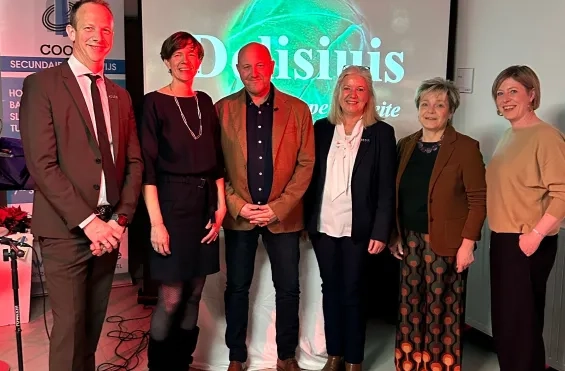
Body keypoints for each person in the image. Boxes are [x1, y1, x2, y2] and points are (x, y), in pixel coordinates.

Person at [18, 1, 143, 370]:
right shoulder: (42, 85)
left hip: (109, 230)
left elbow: (134, 164)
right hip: (67, 230)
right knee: (69, 331)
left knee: (91, 329)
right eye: (89, 28)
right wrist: (90, 222)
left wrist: (119, 221)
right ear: (70, 33)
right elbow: (42, 164)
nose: (98, 36)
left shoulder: (120, 95)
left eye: (106, 29)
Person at [215, 42, 315, 371]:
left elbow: (305, 165)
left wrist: (279, 207)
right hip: (239, 216)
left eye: (259, 66)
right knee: (237, 288)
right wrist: (237, 205)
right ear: (237, 70)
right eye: (246, 67)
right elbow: (215, 167)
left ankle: (286, 356)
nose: (253, 73)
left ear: (271, 66)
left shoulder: (298, 110)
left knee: (288, 288)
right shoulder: (222, 109)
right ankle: (236, 356)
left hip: (283, 218)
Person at [138, 31, 226, 371]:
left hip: (205, 205)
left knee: (194, 293)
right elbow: (147, 167)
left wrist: (220, 206)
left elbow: (216, 160)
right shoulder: (154, 102)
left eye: (191, 54)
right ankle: (160, 367)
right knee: (172, 297)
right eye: (177, 54)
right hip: (171, 206)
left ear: (200, 61)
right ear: (166, 61)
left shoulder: (205, 101)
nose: (185, 60)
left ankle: (182, 363)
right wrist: (157, 224)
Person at [303, 65, 396, 371]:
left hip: (360, 229)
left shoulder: (381, 133)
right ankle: (335, 354)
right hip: (324, 226)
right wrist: (306, 222)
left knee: (354, 291)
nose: (352, 95)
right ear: (338, 93)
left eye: (360, 89)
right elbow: (310, 178)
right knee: (330, 290)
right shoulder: (321, 128)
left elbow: (386, 188)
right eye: (347, 88)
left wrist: (382, 231)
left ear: (369, 96)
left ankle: (354, 358)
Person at [390, 77, 486, 371]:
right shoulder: (405, 145)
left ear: (450, 110)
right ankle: (409, 365)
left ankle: (440, 367)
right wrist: (395, 235)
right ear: (418, 108)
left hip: (447, 244)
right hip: (409, 243)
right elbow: (396, 195)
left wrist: (468, 244)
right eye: (425, 104)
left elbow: (478, 200)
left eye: (440, 105)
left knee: (441, 312)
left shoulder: (466, 148)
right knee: (411, 310)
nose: (431, 110)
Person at [486, 65, 565, 371]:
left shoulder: (546, 136)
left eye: (513, 91)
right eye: (500, 92)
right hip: (504, 240)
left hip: (527, 241)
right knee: (508, 326)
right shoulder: (510, 134)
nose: (505, 99)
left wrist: (535, 236)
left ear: (532, 95)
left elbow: (563, 192)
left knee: (522, 327)